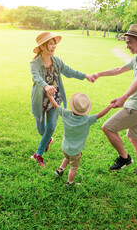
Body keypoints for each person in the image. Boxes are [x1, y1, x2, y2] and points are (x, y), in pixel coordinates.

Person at [89, 24, 137, 180]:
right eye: (126, 42)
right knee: (134, 137)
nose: (127, 46)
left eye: (130, 42)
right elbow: (120, 69)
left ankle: (125, 158)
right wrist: (99, 74)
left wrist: (124, 97)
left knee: (108, 127)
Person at [30, 32, 93, 167]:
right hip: (39, 102)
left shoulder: (57, 61)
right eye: (50, 44)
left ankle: (38, 155)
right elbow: (36, 77)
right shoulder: (34, 63)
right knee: (42, 131)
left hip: (54, 100)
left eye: (54, 44)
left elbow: (69, 71)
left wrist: (85, 76)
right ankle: (48, 140)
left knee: (51, 127)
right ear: (42, 47)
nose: (53, 47)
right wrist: (46, 86)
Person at [47, 92, 113, 186]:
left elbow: (56, 106)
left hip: (65, 147)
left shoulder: (66, 114)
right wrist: (110, 106)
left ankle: (59, 170)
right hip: (75, 151)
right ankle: (70, 183)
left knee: (67, 158)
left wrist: (50, 96)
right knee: (73, 167)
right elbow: (100, 114)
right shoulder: (87, 120)